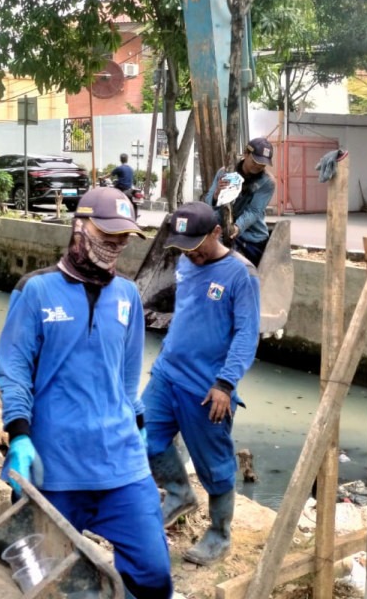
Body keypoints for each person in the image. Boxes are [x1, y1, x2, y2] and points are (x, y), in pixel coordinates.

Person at [0, 187, 172, 599]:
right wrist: (19, 434)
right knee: (47, 579)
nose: (117, 243)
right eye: (106, 232)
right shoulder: (36, 290)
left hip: (120, 465)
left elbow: (128, 378)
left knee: (154, 574)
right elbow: (14, 369)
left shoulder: (127, 295)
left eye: (124, 236)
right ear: (79, 224)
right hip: (54, 468)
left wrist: (139, 420)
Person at [142, 202, 260, 566]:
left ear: (216, 233)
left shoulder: (241, 275)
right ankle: (178, 493)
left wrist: (225, 384)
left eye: (196, 245)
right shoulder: (184, 261)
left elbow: (246, 334)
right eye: (183, 246)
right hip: (167, 373)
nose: (190, 253)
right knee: (144, 436)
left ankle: (219, 534)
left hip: (207, 388)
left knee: (216, 465)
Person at [202, 137, 275, 266]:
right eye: (255, 161)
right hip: (221, 230)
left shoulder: (267, 182)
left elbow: (254, 211)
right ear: (246, 154)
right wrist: (217, 193)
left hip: (251, 235)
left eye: (262, 164)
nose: (258, 166)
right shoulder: (225, 172)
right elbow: (208, 204)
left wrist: (237, 227)